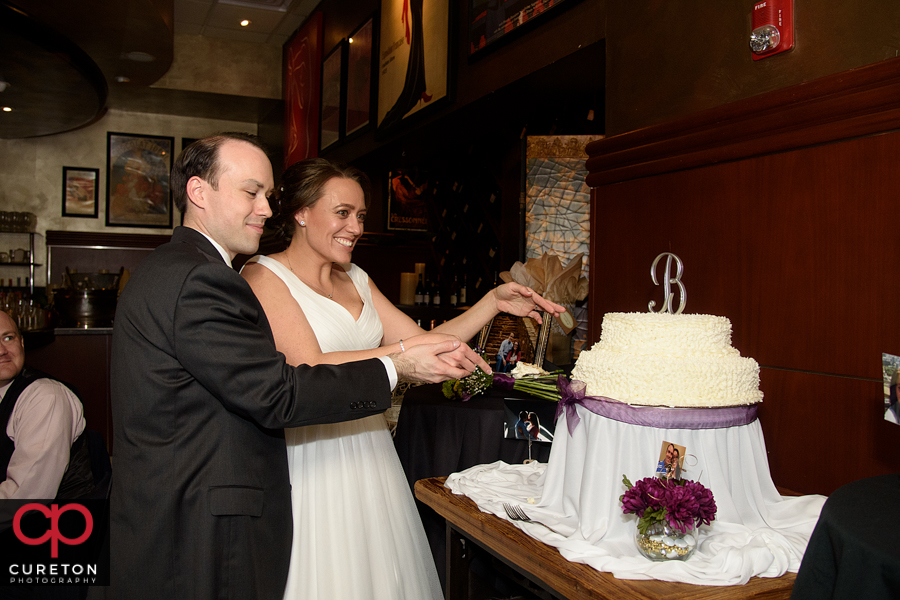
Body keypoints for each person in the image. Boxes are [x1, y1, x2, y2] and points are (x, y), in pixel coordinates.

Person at [104, 133, 487, 600]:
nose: (266, 209)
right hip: (202, 511)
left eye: (267, 195)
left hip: (180, 501)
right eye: (251, 193)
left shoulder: (176, 267)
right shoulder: (203, 278)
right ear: (199, 192)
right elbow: (279, 393)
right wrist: (396, 368)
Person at [240, 157, 565, 600]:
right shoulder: (264, 275)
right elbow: (309, 365)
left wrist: (492, 303)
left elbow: (422, 341)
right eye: (342, 213)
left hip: (371, 449)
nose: (354, 227)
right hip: (312, 455)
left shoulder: (356, 277)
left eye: (360, 216)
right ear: (300, 212)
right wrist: (403, 357)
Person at [0, 310, 93, 503]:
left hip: (48, 527)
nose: (2, 350)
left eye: (8, 338)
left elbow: (26, 496)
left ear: (22, 343)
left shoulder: (45, 397)